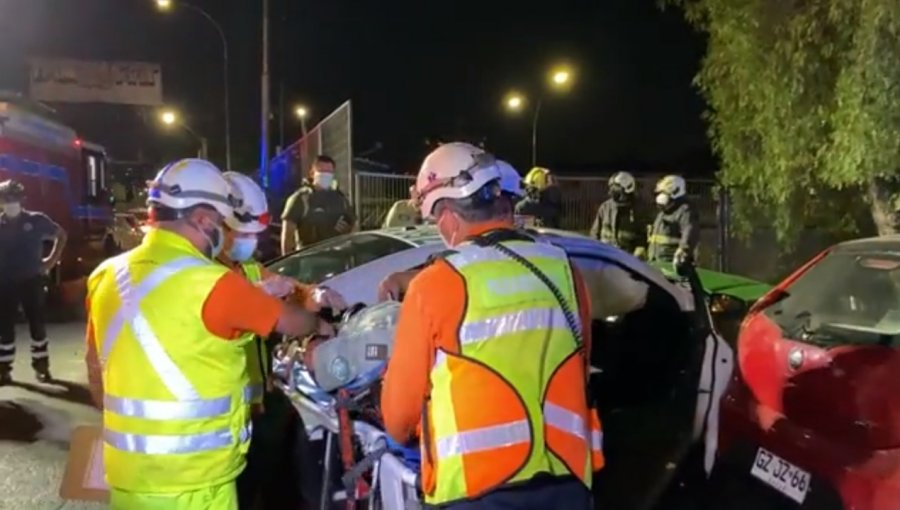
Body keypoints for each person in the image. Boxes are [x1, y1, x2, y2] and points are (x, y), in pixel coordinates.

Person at [84, 159, 330, 510]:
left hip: (129, 481)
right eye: (221, 222)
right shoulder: (211, 282)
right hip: (197, 483)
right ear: (202, 219)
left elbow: (96, 370)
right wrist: (320, 324)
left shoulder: (105, 275)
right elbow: (293, 322)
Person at [380, 143, 603, 510]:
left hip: (477, 490)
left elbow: (399, 419)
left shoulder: (437, 283)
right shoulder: (562, 268)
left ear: (448, 217)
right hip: (567, 480)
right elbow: (581, 360)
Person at [220, 171, 347, 509]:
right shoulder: (206, 277)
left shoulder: (244, 266)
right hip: (225, 421)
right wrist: (318, 327)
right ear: (218, 225)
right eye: (242, 232)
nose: (249, 240)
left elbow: (290, 289)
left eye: (253, 233)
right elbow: (285, 318)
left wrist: (314, 293)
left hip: (260, 407)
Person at [0, 179, 67, 385]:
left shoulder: (37, 220)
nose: (10, 202)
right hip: (5, 283)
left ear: (22, 200)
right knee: (4, 328)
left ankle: (41, 367)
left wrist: (50, 262)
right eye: (6, 199)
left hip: (32, 280)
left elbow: (61, 235)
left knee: (36, 324)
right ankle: (3, 370)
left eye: (14, 198)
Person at [280, 155, 355, 254]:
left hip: (337, 257)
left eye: (329, 173)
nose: (326, 176)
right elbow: (287, 237)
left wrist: (348, 230)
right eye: (322, 172)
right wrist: (288, 264)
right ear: (312, 173)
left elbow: (354, 226)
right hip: (309, 259)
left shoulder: (341, 199)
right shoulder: (300, 199)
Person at [590, 171, 650, 258]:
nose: (612, 192)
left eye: (616, 189)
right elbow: (595, 233)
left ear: (626, 190)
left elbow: (643, 236)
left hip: (626, 260)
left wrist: (640, 250)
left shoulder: (639, 210)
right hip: (605, 256)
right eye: (612, 188)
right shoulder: (605, 207)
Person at [647, 174, 699, 266]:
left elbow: (689, 232)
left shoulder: (685, 211)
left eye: (664, 194)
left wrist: (683, 251)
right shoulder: (663, 213)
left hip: (671, 264)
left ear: (675, 192)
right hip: (656, 262)